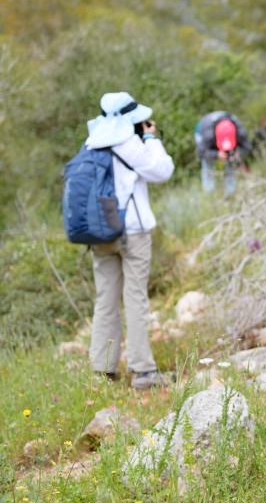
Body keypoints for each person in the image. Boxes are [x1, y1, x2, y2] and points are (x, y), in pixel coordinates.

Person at [83, 92, 175, 390]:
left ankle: (103, 370)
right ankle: (142, 371)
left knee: (105, 298)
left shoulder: (91, 142)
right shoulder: (130, 143)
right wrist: (150, 138)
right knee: (135, 297)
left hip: (99, 232)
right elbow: (163, 170)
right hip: (131, 231)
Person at [194, 111, 252, 197]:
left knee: (231, 162)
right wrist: (216, 154)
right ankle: (209, 194)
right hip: (203, 127)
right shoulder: (208, 136)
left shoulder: (239, 132)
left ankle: (230, 194)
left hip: (227, 125)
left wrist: (237, 153)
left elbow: (248, 148)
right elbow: (200, 152)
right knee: (207, 164)